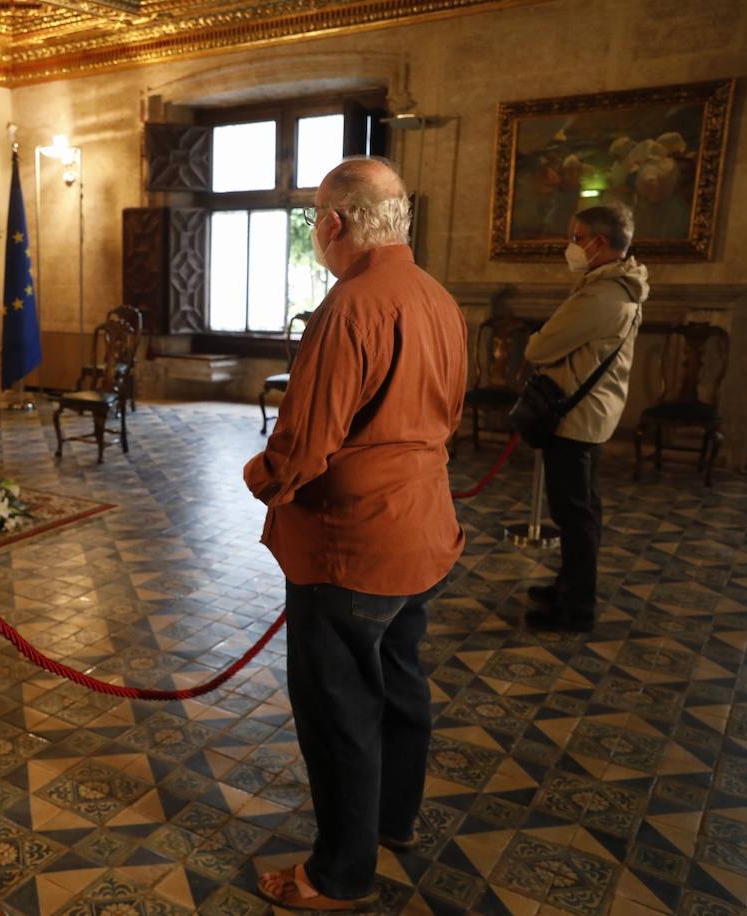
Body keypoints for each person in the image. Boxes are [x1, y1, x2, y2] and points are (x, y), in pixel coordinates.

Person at [243, 157, 467, 911]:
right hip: (424, 532)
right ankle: (393, 820)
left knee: (340, 714)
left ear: (335, 223)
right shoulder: (437, 297)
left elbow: (303, 446)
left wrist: (260, 478)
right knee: (400, 685)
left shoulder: (351, 304)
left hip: (350, 546)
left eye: (314, 217)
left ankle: (338, 876)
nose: (315, 230)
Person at [524, 203, 646, 632]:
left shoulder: (602, 295)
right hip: (591, 414)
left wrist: (540, 339)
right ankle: (567, 586)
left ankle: (575, 607)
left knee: (574, 516)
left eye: (576, 238)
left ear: (599, 242)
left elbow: (539, 348)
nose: (570, 246)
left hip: (576, 419)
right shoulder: (618, 286)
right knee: (580, 512)